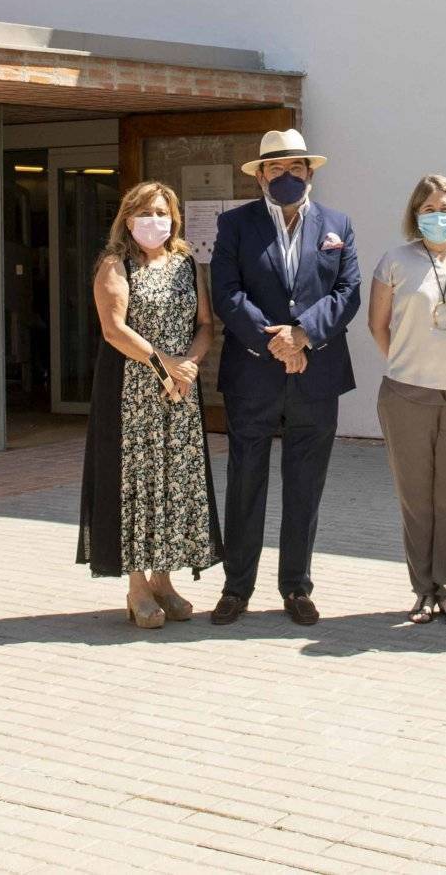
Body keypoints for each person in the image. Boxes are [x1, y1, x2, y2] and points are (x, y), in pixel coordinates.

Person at [210, 129, 361, 627]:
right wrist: (272, 342)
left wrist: (302, 336)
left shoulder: (338, 224)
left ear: (309, 173)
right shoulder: (235, 224)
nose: (286, 175)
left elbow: (348, 291)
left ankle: (296, 587)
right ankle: (237, 588)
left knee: (305, 486)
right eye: (275, 168)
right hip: (253, 376)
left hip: (316, 377)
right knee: (245, 481)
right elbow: (226, 293)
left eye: (295, 167)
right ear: (261, 177)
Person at [77, 182, 222, 627]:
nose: (152, 220)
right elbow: (114, 329)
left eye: (160, 212)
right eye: (142, 212)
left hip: (179, 395)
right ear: (126, 218)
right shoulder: (113, 264)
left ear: (174, 218)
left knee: (174, 486)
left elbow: (205, 324)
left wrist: (191, 367)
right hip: (131, 394)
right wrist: (167, 368)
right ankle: (138, 587)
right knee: (136, 487)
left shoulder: (186, 264)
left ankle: (165, 581)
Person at [368, 174, 446, 627]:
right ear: (414, 215)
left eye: (444, 208)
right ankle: (422, 590)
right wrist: (412, 363)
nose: (437, 217)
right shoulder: (394, 261)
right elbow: (378, 325)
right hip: (406, 394)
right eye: (427, 210)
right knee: (416, 498)